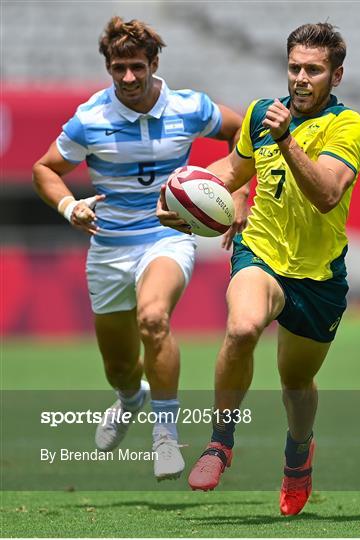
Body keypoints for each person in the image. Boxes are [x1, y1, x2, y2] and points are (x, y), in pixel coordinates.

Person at [158, 22, 360, 512]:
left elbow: (327, 195)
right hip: (261, 253)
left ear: (336, 76)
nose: (300, 77)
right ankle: (219, 443)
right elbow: (231, 172)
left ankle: (298, 455)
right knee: (242, 327)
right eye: (294, 67)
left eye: (313, 70)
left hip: (318, 278)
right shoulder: (260, 115)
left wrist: (289, 138)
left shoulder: (348, 126)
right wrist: (176, 196)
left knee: (296, 384)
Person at [32, 16, 243, 481]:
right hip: (108, 248)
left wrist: (237, 193)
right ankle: (131, 398)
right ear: (108, 67)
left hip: (166, 237)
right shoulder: (90, 119)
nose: (128, 78)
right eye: (118, 68)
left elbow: (241, 132)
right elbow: (44, 169)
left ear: (154, 64)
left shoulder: (190, 107)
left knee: (154, 318)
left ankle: (165, 435)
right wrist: (70, 207)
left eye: (136, 67)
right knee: (121, 368)